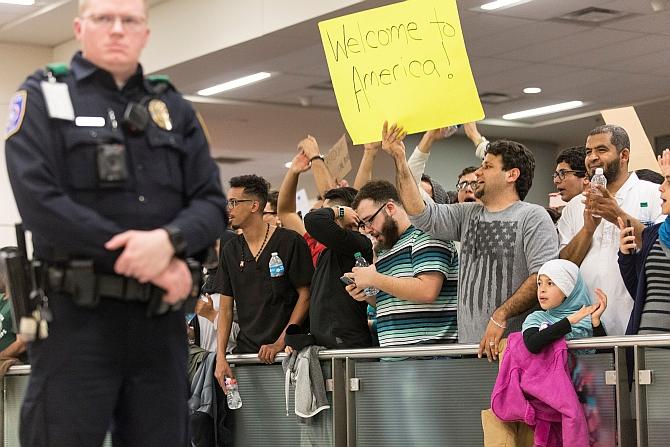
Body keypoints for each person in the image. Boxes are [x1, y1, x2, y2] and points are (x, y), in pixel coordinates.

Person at [3, 0, 228, 444]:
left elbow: (210, 203)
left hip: (159, 324)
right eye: (104, 19)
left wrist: (167, 242)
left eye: (130, 21)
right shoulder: (43, 96)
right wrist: (143, 256)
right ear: (79, 28)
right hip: (76, 321)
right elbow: (40, 203)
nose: (117, 30)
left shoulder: (174, 108)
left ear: (145, 32)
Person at [380, 122, 558, 361]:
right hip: (470, 350)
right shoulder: (467, 214)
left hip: (517, 350)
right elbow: (419, 212)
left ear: (512, 175)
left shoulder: (533, 216)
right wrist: (400, 159)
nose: (478, 173)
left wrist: (500, 315)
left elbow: (541, 278)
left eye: (487, 166)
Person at [558, 125, 664, 336]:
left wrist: (617, 215)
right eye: (589, 152)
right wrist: (587, 231)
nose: (592, 157)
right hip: (586, 325)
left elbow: (662, 249)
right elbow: (564, 267)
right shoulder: (575, 205)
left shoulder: (654, 193)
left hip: (638, 322)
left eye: (601, 150)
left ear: (624, 155)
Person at [213, 175, 313, 384]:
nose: (228, 209)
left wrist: (279, 342)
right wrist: (221, 356)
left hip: (287, 354)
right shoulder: (230, 250)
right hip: (247, 355)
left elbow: (306, 296)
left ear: (254, 205)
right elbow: (225, 309)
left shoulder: (290, 242)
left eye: (233, 202)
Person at [344, 180, 459, 348]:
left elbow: (427, 291)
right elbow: (396, 302)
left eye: (369, 220)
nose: (367, 229)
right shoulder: (385, 249)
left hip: (430, 355)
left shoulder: (426, 234)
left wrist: (374, 279)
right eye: (363, 224)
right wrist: (367, 295)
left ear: (390, 208)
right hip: (394, 357)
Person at [303, 186, 374, 349]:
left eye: (330, 211)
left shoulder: (358, 243)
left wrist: (339, 211)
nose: (328, 215)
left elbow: (313, 220)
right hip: (327, 344)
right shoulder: (330, 249)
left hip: (347, 346)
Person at [618, 149, 670, 336]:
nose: (661, 187)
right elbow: (637, 289)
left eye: (669, 181)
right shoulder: (654, 234)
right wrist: (625, 256)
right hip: (646, 345)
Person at [522, 259, 607, 354]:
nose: (542, 290)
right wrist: (570, 320)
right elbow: (532, 344)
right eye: (539, 283)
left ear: (568, 289)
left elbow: (609, 359)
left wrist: (596, 323)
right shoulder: (537, 318)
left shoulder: (589, 321)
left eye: (550, 283)